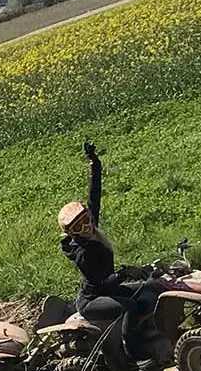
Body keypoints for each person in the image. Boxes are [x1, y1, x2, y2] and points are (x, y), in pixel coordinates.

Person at [59, 142, 163, 357]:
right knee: (129, 307)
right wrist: (125, 273)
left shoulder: (91, 227)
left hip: (109, 289)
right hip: (93, 300)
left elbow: (94, 196)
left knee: (151, 287)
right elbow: (102, 284)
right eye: (79, 227)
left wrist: (95, 163)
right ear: (72, 233)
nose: (87, 227)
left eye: (86, 220)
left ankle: (153, 333)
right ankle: (133, 352)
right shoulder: (82, 253)